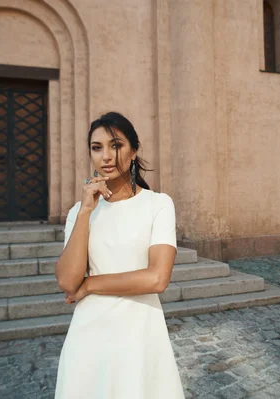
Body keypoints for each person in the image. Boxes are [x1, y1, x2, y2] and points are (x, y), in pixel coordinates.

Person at [53, 112, 184, 398]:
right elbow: (66, 281)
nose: (106, 156)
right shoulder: (79, 212)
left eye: (116, 145)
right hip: (87, 337)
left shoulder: (158, 205)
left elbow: (157, 279)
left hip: (139, 335)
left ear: (134, 151)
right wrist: (87, 211)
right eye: (96, 147)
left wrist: (89, 285)